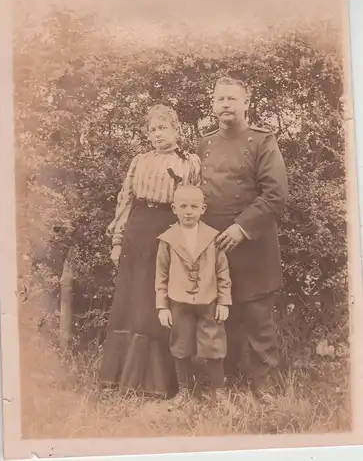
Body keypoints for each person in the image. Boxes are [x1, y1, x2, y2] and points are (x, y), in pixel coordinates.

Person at [99, 104, 201, 398]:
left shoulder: (189, 163)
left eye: (163, 128)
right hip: (137, 231)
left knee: (157, 300)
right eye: (152, 129)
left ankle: (157, 383)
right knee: (131, 300)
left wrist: (188, 243)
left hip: (168, 231)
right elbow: (126, 202)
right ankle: (122, 379)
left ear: (177, 130)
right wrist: (118, 241)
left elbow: (194, 203)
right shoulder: (139, 161)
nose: (157, 134)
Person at [197, 76, 288, 398]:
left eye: (232, 99)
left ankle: (264, 385)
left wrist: (241, 227)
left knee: (258, 316)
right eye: (220, 99)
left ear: (246, 104)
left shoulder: (263, 141)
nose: (226, 105)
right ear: (213, 104)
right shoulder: (204, 145)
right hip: (214, 244)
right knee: (223, 312)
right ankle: (228, 379)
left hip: (252, 242)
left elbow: (276, 194)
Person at [155, 185, 232, 406]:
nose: (188, 211)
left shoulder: (213, 237)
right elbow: (160, 275)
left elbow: (222, 272)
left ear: (203, 209)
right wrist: (162, 306)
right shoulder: (167, 240)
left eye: (194, 206)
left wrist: (224, 302)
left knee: (214, 345)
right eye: (183, 206)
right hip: (178, 302)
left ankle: (219, 393)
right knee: (181, 346)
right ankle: (184, 392)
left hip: (209, 301)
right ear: (174, 208)